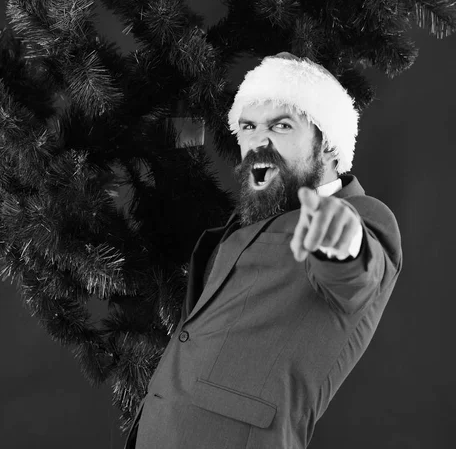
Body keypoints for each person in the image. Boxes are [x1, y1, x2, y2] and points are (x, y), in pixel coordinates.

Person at [124, 53, 402, 449]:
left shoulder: (360, 216)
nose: (259, 141)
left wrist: (342, 244)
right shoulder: (251, 219)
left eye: (281, 125)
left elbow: (357, 276)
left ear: (327, 145)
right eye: (248, 127)